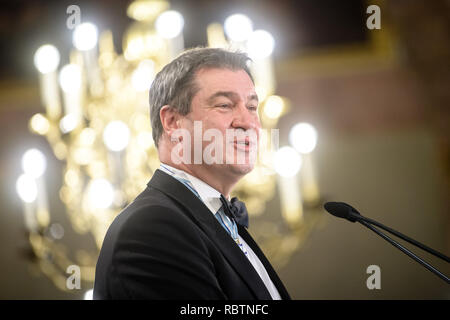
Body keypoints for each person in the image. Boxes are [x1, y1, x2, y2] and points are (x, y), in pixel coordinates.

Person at [93, 47, 291, 300]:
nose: (248, 122)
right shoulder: (152, 227)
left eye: (252, 107)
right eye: (224, 105)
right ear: (173, 122)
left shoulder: (222, 221)